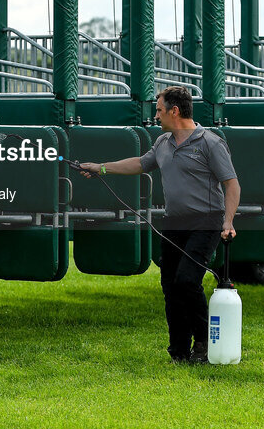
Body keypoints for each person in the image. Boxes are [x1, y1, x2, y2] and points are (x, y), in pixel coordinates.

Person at [78, 86, 240, 364]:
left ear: (174, 111)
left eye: (159, 110)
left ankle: (203, 344)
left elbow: (231, 184)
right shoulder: (163, 142)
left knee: (188, 281)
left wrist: (228, 221)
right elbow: (140, 164)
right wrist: (101, 168)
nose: (156, 115)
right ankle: (178, 350)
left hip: (206, 222)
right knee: (170, 286)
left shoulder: (210, 143)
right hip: (174, 223)